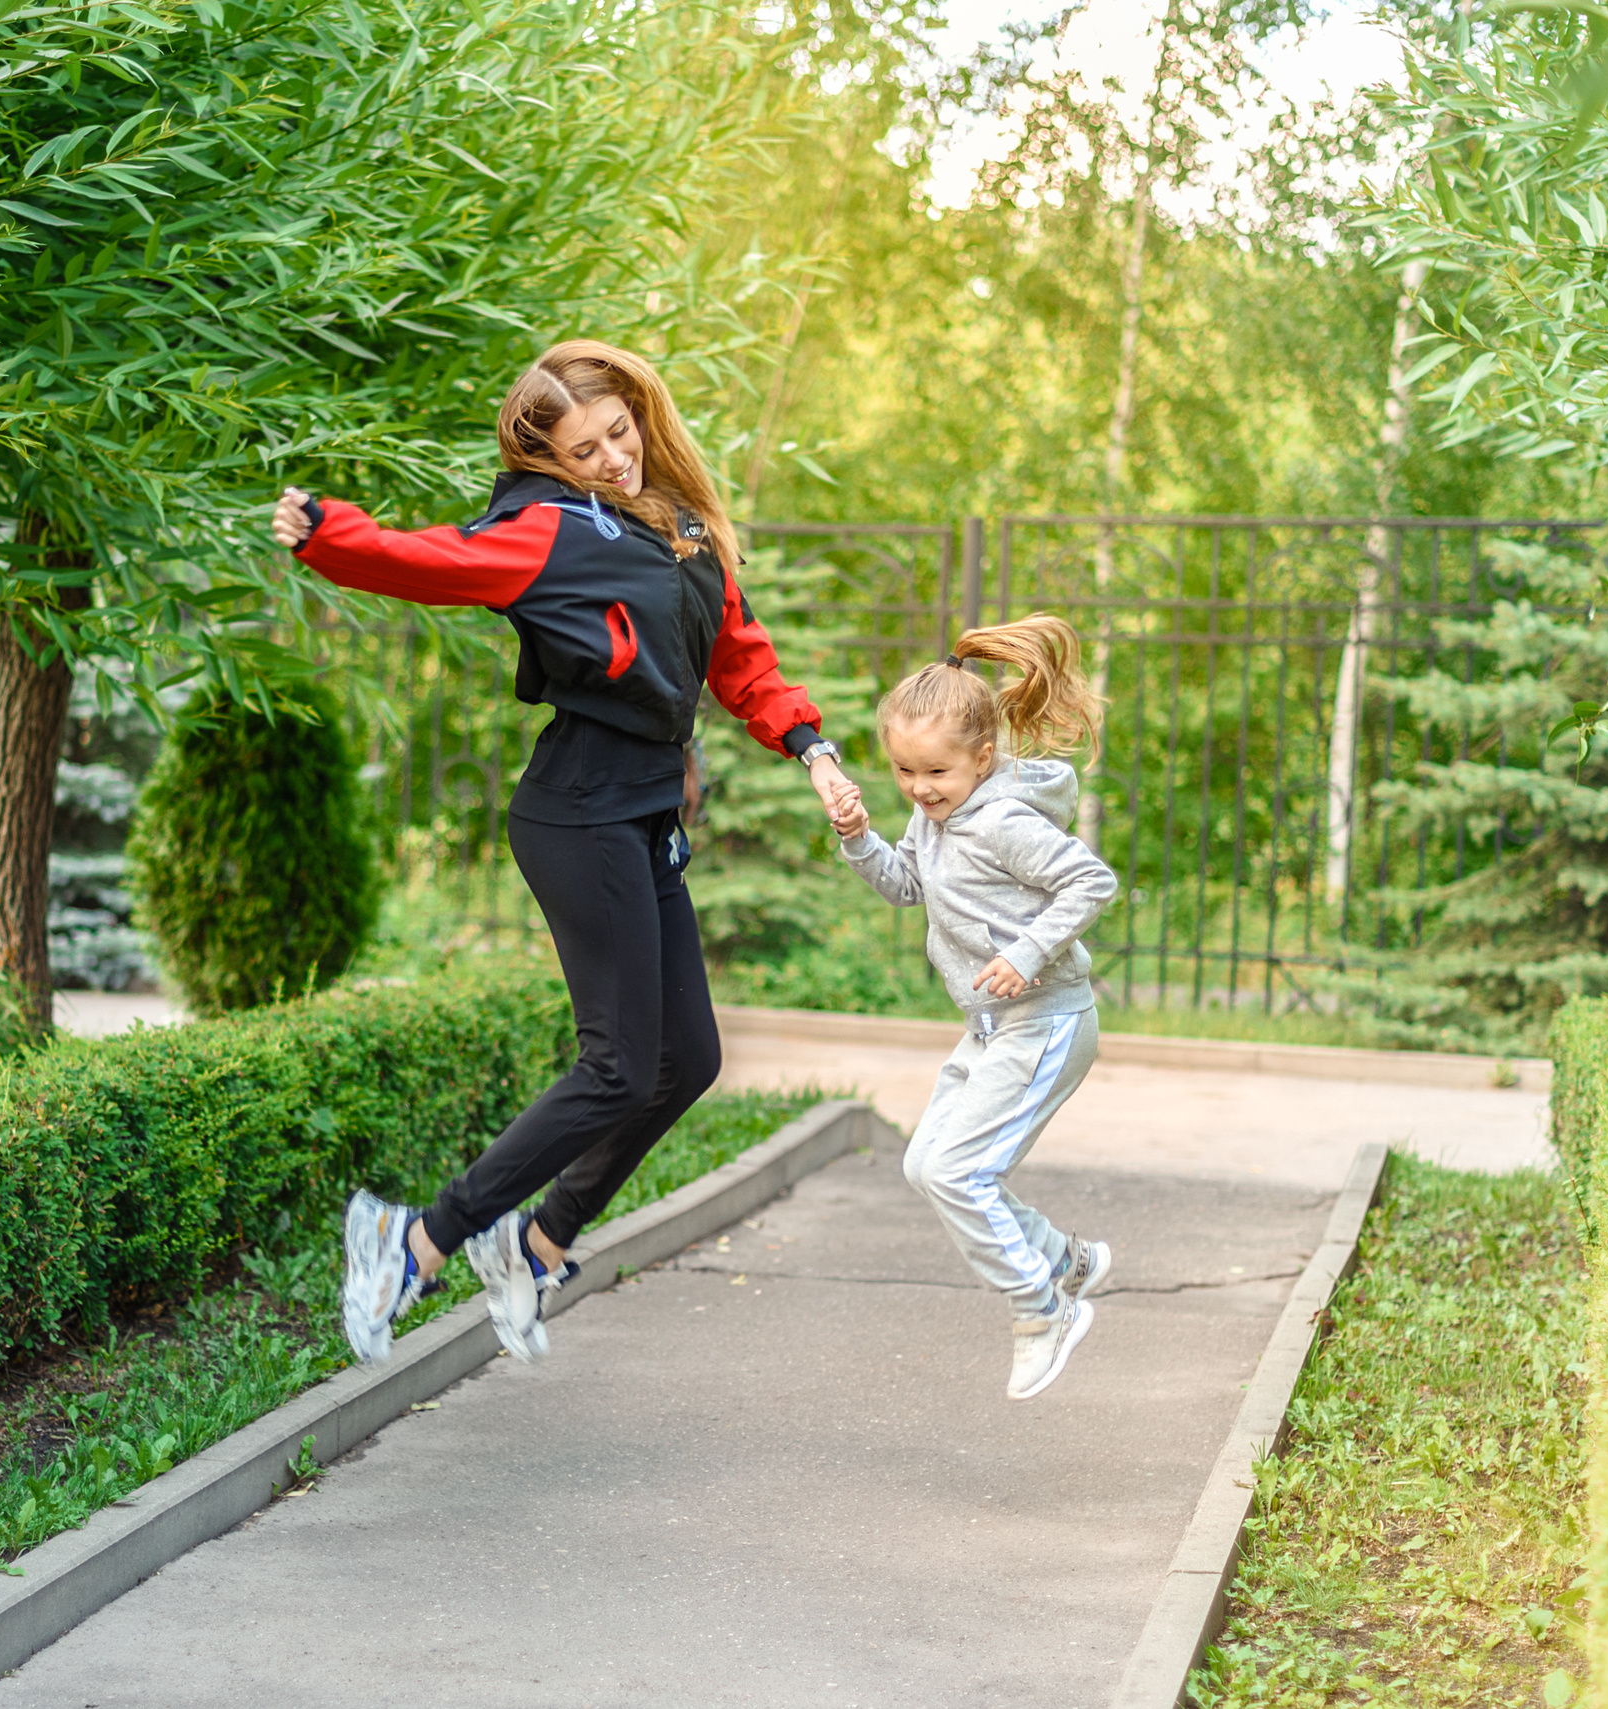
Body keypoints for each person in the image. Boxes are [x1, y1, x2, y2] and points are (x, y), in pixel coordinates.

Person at [267, 339, 855, 1365]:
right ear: (549, 459)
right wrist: (328, 534)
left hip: (642, 815)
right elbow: (429, 561)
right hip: (578, 812)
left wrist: (813, 750)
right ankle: (415, 1239)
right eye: (586, 451)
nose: (614, 459)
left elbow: (741, 659)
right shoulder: (550, 529)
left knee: (687, 1060)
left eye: (620, 433)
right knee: (619, 1065)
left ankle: (535, 1243)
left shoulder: (683, 530)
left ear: (641, 414)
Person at [824, 616, 1120, 1400]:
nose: (920, 788)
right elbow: (906, 885)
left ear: (982, 758)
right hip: (990, 1028)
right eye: (904, 770)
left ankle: (1042, 1308)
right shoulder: (932, 819)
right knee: (927, 1165)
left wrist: (1026, 954)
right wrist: (859, 838)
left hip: (1046, 1020)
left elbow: (1091, 881)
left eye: (937, 771)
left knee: (960, 1171)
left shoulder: (1004, 821)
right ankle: (1063, 1259)